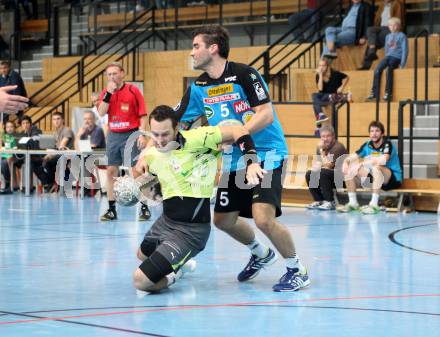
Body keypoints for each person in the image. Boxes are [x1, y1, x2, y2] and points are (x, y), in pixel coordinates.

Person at [175, 25, 309, 292]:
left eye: (196, 46)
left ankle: (297, 270)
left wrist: (237, 133)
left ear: (213, 48)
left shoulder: (245, 74)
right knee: (223, 220)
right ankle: (261, 254)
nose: (192, 53)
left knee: (262, 218)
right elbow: (176, 119)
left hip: (267, 153)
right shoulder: (199, 86)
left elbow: (266, 114)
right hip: (234, 160)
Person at [132, 105, 265, 292]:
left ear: (177, 127)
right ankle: (181, 264)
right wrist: (140, 170)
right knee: (141, 255)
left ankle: (173, 275)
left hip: (191, 232)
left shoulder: (200, 138)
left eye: (165, 134)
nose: (160, 141)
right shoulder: (154, 154)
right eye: (155, 135)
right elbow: (138, 175)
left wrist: (251, 163)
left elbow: (238, 130)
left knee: (141, 281)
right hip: (165, 223)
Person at [97, 62, 151, 221]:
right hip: (114, 134)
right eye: (109, 74)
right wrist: (108, 94)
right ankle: (111, 210)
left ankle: (144, 207)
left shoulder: (133, 91)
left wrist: (141, 134)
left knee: (136, 172)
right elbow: (101, 113)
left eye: (114, 73)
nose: (112, 77)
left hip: (131, 134)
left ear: (122, 74)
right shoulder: (106, 93)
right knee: (110, 172)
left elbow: (143, 114)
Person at [337, 120, 402, 214]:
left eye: (377, 131)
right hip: (375, 179)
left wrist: (362, 163)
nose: (374, 134)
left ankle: (374, 205)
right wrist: (346, 162)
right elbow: (353, 156)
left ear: (382, 133)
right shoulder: (367, 145)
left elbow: (383, 160)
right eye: (372, 131)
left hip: (392, 179)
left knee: (377, 168)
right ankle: (353, 203)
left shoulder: (387, 144)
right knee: (350, 170)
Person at [305, 125, 347, 210]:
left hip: (343, 179)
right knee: (309, 173)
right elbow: (319, 163)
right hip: (329, 177)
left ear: (333, 136)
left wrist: (321, 150)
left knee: (323, 172)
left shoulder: (338, 147)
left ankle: (330, 201)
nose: (325, 139)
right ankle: (319, 200)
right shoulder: (321, 147)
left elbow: (328, 165)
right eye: (323, 136)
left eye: (328, 136)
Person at [366, 17, 408, 101]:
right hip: (388, 57)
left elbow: (405, 50)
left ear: (398, 26)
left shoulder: (402, 36)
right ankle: (374, 92)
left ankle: (388, 93)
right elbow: (386, 49)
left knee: (389, 70)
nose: (392, 27)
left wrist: (402, 64)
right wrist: (385, 57)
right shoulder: (388, 36)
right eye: (390, 25)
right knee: (377, 69)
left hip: (396, 58)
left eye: (394, 25)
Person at [358, 0, 405, 70]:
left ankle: (366, 64)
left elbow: (398, 19)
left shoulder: (396, 4)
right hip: (380, 28)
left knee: (373, 40)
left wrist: (392, 27)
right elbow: (377, 19)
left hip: (391, 28)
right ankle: (372, 51)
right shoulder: (382, 5)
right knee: (370, 30)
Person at [34, 112, 75, 191]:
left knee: (49, 161)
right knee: (36, 162)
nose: (56, 121)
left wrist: (50, 155)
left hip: (67, 156)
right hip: (58, 155)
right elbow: (52, 147)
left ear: (63, 120)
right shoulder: (55, 133)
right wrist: (48, 153)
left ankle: (53, 184)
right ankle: (49, 183)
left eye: (58, 119)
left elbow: (61, 147)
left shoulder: (67, 130)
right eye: (54, 119)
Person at [312, 58, 349, 136]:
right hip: (324, 97)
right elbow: (320, 89)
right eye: (320, 65)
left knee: (317, 100)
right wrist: (321, 75)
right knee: (314, 96)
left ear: (328, 66)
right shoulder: (318, 75)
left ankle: (319, 126)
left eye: (323, 65)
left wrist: (342, 87)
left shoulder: (335, 73)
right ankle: (321, 115)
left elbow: (346, 77)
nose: (321, 67)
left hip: (333, 96)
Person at [0, 120, 17, 194]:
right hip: (4, 155)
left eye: (11, 127)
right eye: (7, 127)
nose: (9, 128)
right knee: (3, 162)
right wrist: (1, 128)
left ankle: (7, 186)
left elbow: (18, 146)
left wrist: (15, 148)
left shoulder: (16, 136)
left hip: (13, 156)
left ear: (14, 128)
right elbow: (1, 135)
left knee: (4, 163)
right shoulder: (5, 136)